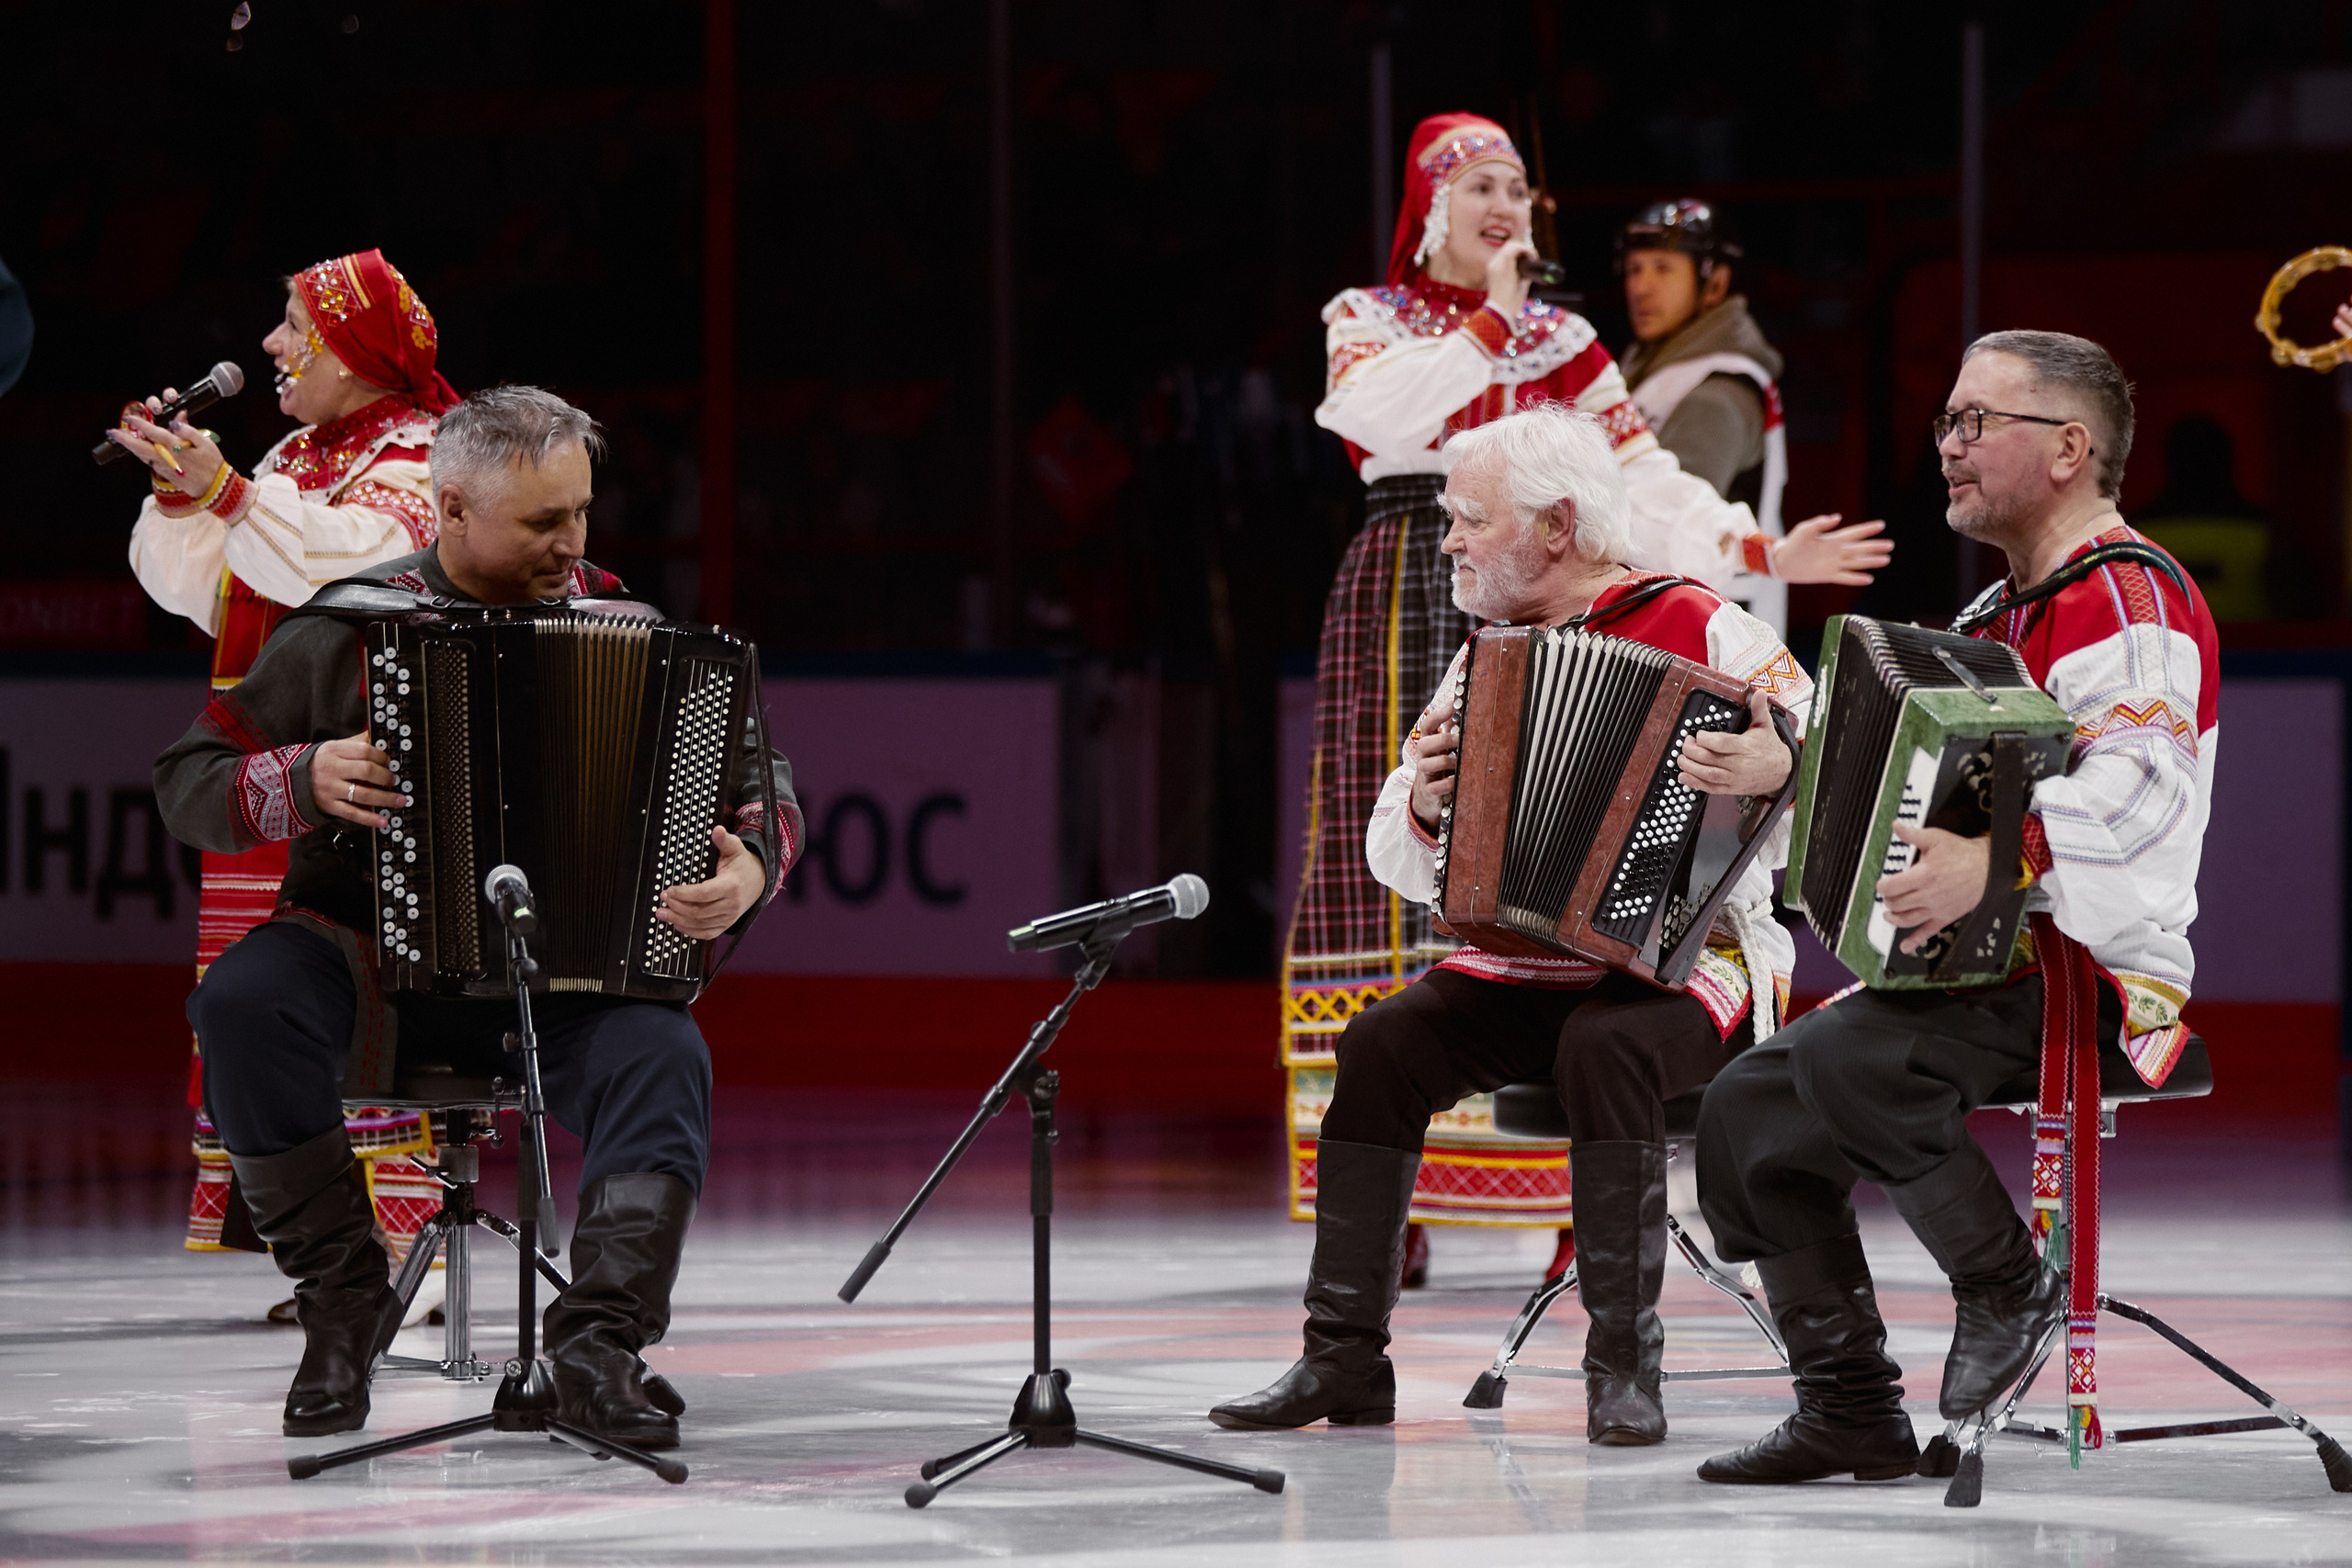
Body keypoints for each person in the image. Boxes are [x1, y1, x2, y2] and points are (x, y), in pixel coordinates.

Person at [1283, 113, 1883, 1288]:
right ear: (1430, 206)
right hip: (1415, 577)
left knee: (1587, 875)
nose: (1509, 208)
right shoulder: (1370, 320)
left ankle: (1577, 1210)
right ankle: (1384, 1208)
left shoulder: (1564, 337)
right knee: (1393, 872)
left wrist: (1750, 545)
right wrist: (1490, 326)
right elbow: (1375, 420)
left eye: (1521, 190)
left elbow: (1636, 485)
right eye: (1481, 188)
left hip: (1538, 577)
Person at [153, 386, 803, 1448]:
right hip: (370, 963)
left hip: (570, 981)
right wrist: (305, 776)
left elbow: (757, 780)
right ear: (451, 510)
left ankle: (599, 1345)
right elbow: (189, 777)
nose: (574, 542)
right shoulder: (349, 624)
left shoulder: (625, 626)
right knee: (240, 1002)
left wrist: (751, 868)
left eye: (581, 512)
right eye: (544, 521)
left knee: (665, 1057)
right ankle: (345, 1297)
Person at [1222, 404, 1813, 1442]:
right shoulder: (1483, 659)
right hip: (1528, 965)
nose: (1446, 540)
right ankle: (1342, 1361)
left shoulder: (1712, 628)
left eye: (1467, 519)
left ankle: (1623, 1366)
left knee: (1607, 1040)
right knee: (1379, 1043)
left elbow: (1845, 800)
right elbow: (1391, 854)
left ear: (1555, 525)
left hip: (1687, 966)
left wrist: (1784, 769)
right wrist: (1426, 804)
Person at [1693, 331, 2216, 1483]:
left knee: (1850, 1057)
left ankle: (2004, 1282)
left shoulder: (2130, 603)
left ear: (2069, 449)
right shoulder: (1993, 614)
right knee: (1745, 1113)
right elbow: (1905, 788)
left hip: (2089, 974)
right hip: (1983, 975)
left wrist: (1993, 862)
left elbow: (2143, 800)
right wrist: (1789, 774)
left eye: (1979, 422)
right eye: (1946, 422)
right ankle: (1849, 1411)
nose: (1949, 445)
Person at [112, 249, 458, 1304]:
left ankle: (412, 1243)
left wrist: (228, 492)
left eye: (295, 322)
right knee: (267, 996)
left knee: (363, 991)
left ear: (353, 346)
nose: (271, 342)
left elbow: (355, 566)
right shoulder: (299, 454)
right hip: (281, 757)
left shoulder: (426, 453)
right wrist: (185, 501)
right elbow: (198, 594)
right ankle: (328, 1244)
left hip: (373, 770)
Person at [1616, 198, 1791, 632]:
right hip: (1681, 619)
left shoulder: (1718, 391)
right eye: (1635, 268)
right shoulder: (1655, 369)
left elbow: (1664, 530)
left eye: (1663, 268)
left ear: (1715, 283)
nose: (1641, 286)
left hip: (1710, 633)